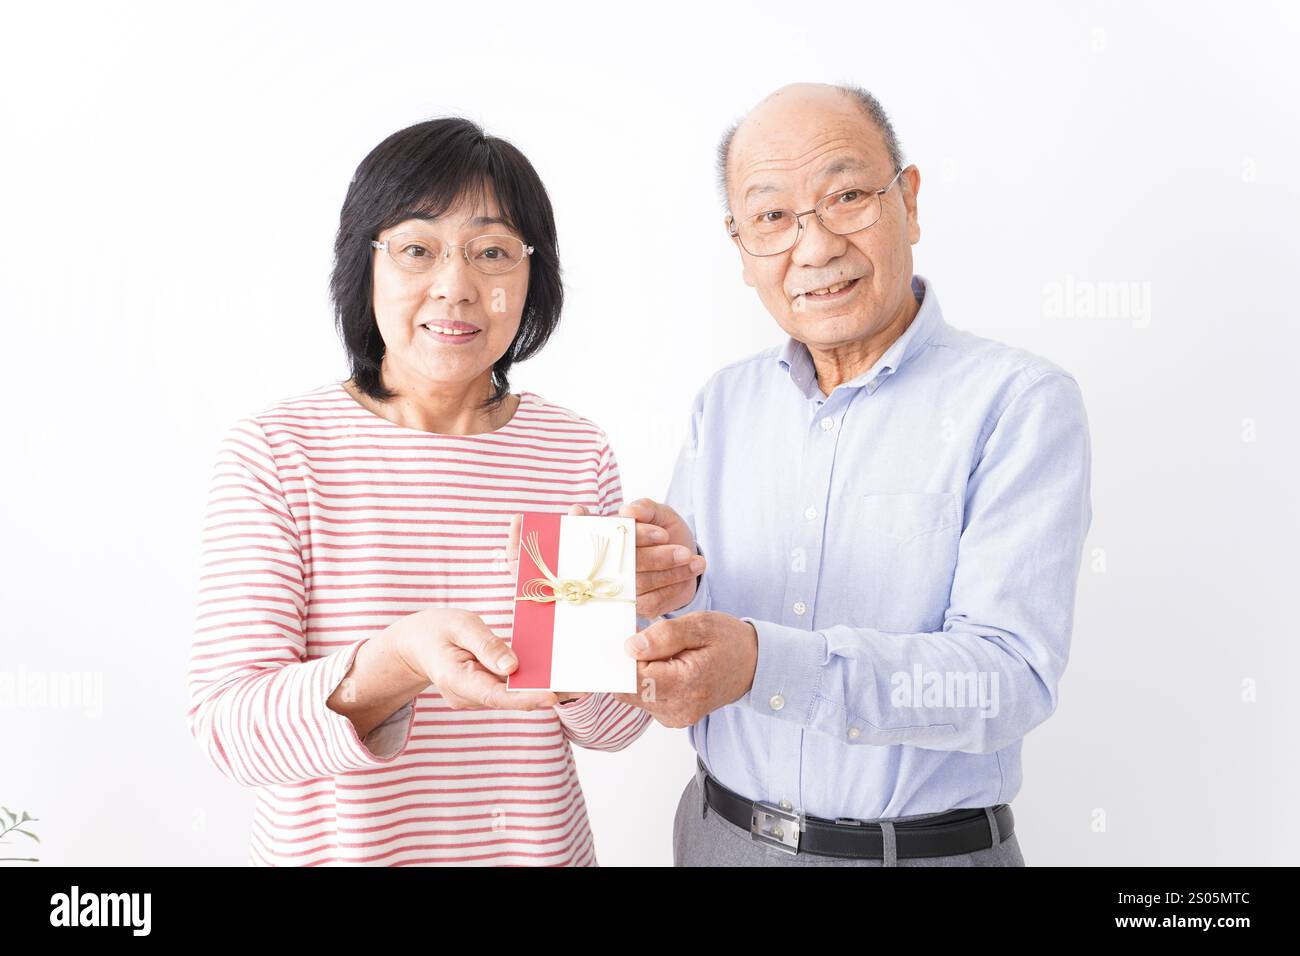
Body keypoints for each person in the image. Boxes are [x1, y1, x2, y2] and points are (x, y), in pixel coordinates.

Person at [616, 83, 1093, 867]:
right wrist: (666, 591)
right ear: (740, 246)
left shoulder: (1019, 403)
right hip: (716, 837)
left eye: (845, 196)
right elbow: (696, 627)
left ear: (908, 200)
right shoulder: (725, 402)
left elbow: (1007, 680)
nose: (813, 247)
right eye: (772, 217)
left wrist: (765, 664)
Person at [185, 117, 675, 866]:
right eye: (417, 249)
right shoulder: (279, 455)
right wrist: (398, 664)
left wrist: (589, 633)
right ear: (366, 265)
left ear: (530, 277)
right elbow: (228, 731)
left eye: (492, 253)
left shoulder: (575, 453)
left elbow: (610, 732)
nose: (456, 286)